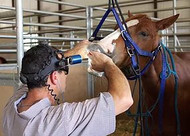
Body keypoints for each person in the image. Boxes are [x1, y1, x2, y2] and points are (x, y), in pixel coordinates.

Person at [3, 40, 133, 136]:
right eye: (64, 70)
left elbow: (37, 72)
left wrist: (69, 55)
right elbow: (124, 99)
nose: (66, 74)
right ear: (54, 77)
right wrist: (107, 63)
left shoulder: (12, 107)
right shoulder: (62, 119)